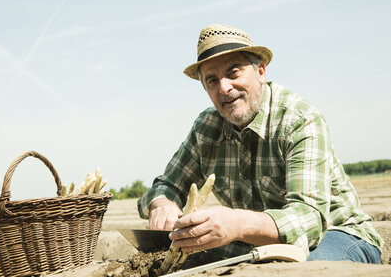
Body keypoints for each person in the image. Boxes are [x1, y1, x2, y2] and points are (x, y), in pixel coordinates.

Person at [137, 24, 382, 263]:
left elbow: (309, 218)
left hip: (337, 235)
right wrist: (162, 204)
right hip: (255, 243)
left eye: (233, 72)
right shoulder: (206, 128)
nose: (224, 87)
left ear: (261, 72)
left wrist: (237, 223)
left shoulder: (299, 120)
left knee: (296, 269)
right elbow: (167, 185)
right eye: (212, 81)